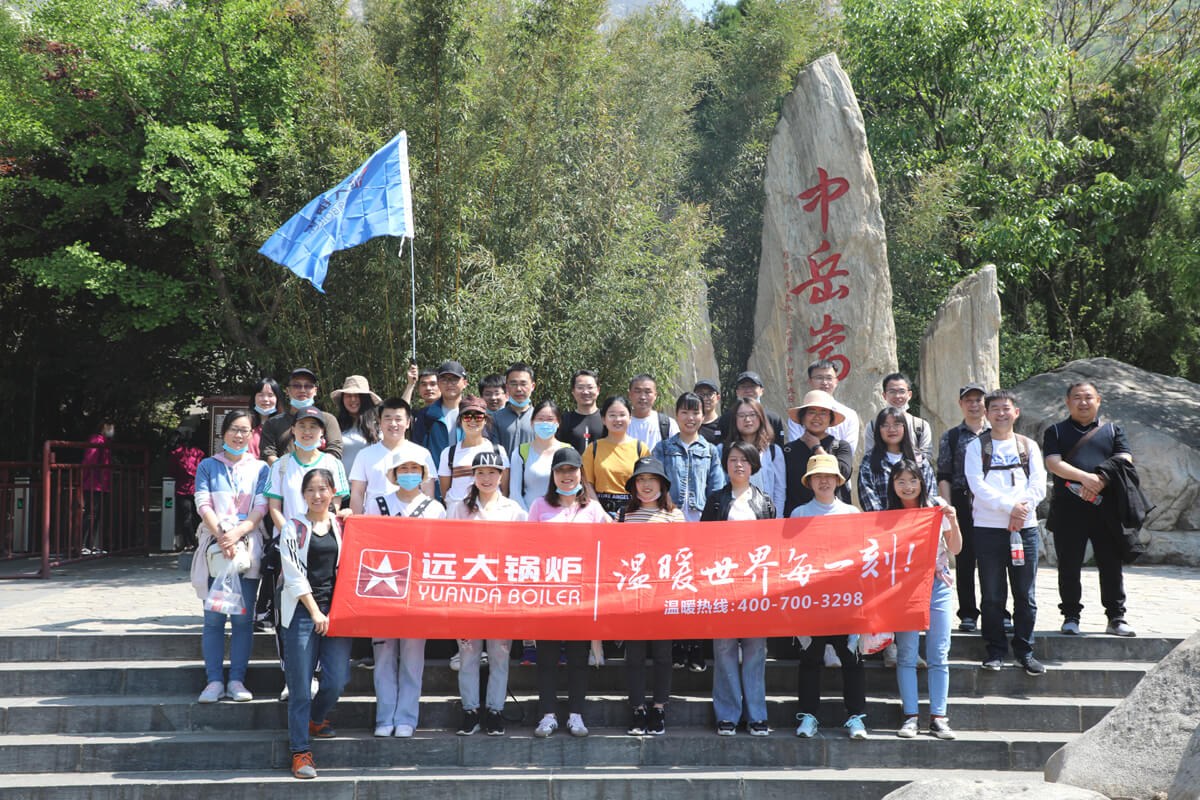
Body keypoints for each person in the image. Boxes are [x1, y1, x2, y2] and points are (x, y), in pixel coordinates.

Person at [527, 448, 610, 738]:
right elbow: (529, 548)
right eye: (561, 471)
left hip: (582, 594)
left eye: (571, 470)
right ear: (553, 475)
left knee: (577, 657)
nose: (566, 476)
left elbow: (608, 546)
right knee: (547, 658)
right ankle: (547, 715)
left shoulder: (594, 509)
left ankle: (576, 714)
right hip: (549, 594)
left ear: (580, 473)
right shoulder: (539, 506)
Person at [965, 389, 1048, 675]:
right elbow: (977, 485)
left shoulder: (1028, 446)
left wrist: (1021, 510)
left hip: (1024, 529)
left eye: (1006, 407)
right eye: (995, 408)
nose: (1001, 413)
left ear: (1016, 412)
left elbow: (1039, 484)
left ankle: (1025, 650)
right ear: (986, 414)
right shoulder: (977, 447)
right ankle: (995, 650)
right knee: (991, 593)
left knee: (1025, 594)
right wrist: (1011, 507)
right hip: (988, 529)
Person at [1043, 381, 1136, 637]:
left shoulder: (1113, 430)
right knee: (1069, 564)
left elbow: (1124, 459)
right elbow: (1053, 463)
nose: (1083, 402)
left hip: (1106, 508)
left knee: (1110, 564)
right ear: (1067, 402)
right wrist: (1087, 479)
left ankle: (1116, 617)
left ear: (1098, 400)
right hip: (1068, 509)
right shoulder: (1056, 432)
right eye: (1077, 397)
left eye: (1088, 397)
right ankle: (1071, 616)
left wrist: (1101, 481)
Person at [189, 410, 269, 704]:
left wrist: (238, 534)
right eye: (234, 429)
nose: (239, 435)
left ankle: (236, 679)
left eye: (245, 431)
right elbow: (202, 503)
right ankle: (213, 681)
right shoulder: (208, 466)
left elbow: (261, 506)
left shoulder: (261, 468)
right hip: (215, 548)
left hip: (246, 549)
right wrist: (222, 534)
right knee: (213, 619)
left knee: (242, 620)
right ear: (223, 433)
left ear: (252, 435)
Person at [366, 450, 446, 738]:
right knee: (384, 655)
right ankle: (384, 717)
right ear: (394, 472)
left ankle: (407, 718)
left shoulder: (436, 508)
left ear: (424, 474)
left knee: (413, 658)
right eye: (404, 468)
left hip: (418, 591)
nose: (410, 473)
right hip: (382, 589)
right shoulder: (377, 503)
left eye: (415, 468)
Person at [446, 452, 527, 735]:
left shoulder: (514, 510)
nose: (487, 478)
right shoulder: (459, 508)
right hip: (468, 593)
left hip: (502, 594)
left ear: (502, 476)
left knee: (499, 654)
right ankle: (470, 711)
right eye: (481, 473)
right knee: (468, 654)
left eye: (492, 473)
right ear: (473, 476)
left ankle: (495, 711)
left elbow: (524, 551)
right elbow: (449, 548)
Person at [280, 468, 352, 780]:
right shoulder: (292, 527)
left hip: (336, 612)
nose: (317, 495)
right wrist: (314, 611)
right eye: (311, 490)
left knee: (337, 680)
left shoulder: (342, 526)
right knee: (299, 688)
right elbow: (293, 575)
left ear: (334, 492)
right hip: (301, 613)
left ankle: (316, 718)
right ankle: (300, 751)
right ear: (303, 494)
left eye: (323, 489)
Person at [790, 454, 868, 741]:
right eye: (817, 476)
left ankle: (856, 717)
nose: (823, 481)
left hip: (845, 600)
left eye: (829, 476)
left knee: (852, 658)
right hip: (811, 601)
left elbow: (862, 561)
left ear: (838, 480)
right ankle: (808, 716)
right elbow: (793, 559)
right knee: (810, 658)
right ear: (809, 482)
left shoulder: (851, 514)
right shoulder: (799, 514)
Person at [701, 441, 775, 736]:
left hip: (756, 587)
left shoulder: (765, 502)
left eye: (744, 460)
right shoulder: (716, 500)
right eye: (733, 460)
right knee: (724, 649)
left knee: (756, 651)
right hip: (723, 585)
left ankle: (757, 715)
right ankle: (727, 715)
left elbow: (773, 547)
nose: (739, 465)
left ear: (754, 464)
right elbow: (704, 543)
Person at [887, 460, 962, 740]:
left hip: (937, 586)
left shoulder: (936, 507)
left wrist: (952, 521)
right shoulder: (888, 515)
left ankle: (939, 717)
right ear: (893, 485)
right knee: (906, 654)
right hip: (903, 591)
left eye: (912, 480)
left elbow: (955, 548)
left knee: (938, 654)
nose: (907, 487)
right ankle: (910, 717)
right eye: (900, 481)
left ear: (921, 481)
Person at [615, 456, 682, 735]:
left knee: (664, 655)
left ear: (662, 484)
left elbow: (683, 555)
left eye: (651, 479)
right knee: (635, 655)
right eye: (641, 479)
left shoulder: (675, 516)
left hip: (663, 594)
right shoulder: (623, 515)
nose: (646, 485)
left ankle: (659, 708)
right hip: (633, 595)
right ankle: (638, 708)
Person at [937, 383, 1009, 633]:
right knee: (965, 558)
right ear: (961, 404)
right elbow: (944, 474)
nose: (974, 404)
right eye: (968, 400)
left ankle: (1001, 611)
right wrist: (947, 507)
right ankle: (968, 613)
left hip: (994, 502)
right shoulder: (952, 436)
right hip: (962, 500)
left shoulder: (998, 433)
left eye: (979, 400)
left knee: (997, 558)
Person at [349, 398, 437, 514]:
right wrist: (356, 523)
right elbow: (357, 494)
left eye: (398, 419)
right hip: (375, 519)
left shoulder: (422, 454)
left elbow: (428, 492)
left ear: (408, 423)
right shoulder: (364, 455)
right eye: (388, 419)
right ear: (379, 422)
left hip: (413, 519)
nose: (393, 424)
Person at [652, 392, 726, 523]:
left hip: (700, 519)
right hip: (667, 517)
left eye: (696, 413)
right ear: (676, 415)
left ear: (703, 416)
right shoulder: (662, 448)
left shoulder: (710, 451)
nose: (690, 418)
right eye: (684, 412)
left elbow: (716, 489)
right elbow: (656, 483)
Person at [781, 390, 852, 516]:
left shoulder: (840, 446)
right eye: (811, 412)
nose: (817, 417)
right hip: (799, 517)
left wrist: (816, 448)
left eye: (823, 413)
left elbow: (843, 474)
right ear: (802, 417)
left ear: (830, 418)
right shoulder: (788, 450)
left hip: (835, 516)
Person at [858, 407, 936, 513]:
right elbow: (867, 495)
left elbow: (930, 493)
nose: (891, 429)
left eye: (897, 424)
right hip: (884, 524)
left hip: (918, 522)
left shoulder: (919, 459)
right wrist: (887, 520)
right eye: (885, 425)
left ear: (904, 427)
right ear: (878, 429)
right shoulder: (869, 461)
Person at [582, 396, 650, 517]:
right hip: (599, 511)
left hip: (633, 512)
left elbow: (647, 482)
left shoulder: (640, 448)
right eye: (612, 415)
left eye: (622, 415)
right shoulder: (593, 448)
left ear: (630, 419)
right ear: (604, 419)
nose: (617, 419)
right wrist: (601, 513)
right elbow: (587, 484)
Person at [260, 368, 344, 463]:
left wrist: (313, 472)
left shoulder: (328, 419)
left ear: (315, 391)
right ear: (287, 391)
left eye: (308, 386)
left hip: (321, 475)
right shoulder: (273, 423)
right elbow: (267, 453)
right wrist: (287, 471)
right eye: (296, 386)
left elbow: (335, 449)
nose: (302, 390)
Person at [438, 396, 510, 505]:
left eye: (478, 416)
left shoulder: (498, 451)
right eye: (467, 416)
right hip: (458, 516)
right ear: (460, 420)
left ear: (485, 420)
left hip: (490, 515)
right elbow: (445, 493)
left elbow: (504, 490)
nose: (472, 420)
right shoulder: (448, 454)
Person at [721, 397, 784, 517]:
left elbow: (780, 490)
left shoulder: (773, 451)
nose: (747, 419)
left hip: (765, 515)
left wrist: (776, 519)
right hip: (733, 515)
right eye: (741, 415)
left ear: (760, 417)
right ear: (735, 419)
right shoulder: (723, 450)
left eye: (752, 414)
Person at [787, 360, 861, 455]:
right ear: (809, 381)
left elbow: (848, 452)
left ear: (836, 382)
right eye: (819, 378)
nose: (825, 383)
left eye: (829, 378)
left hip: (838, 467)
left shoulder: (849, 415)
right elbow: (795, 450)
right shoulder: (797, 416)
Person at [509, 400, 569, 510]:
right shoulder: (520, 452)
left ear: (558, 423)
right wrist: (527, 518)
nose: (545, 423)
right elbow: (514, 493)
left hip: (561, 517)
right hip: (529, 517)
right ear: (532, 423)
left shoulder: (568, 451)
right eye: (540, 419)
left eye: (550, 419)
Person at [418, 360, 470, 487]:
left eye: (454, 380)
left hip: (468, 484)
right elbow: (418, 451)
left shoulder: (474, 413)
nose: (449, 384)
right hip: (435, 485)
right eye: (444, 380)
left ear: (465, 383)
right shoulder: (426, 415)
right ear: (439, 383)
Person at [862, 372, 933, 461]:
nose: (897, 396)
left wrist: (905, 471)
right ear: (884, 395)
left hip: (913, 473)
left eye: (902, 391)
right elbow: (870, 458)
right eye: (892, 392)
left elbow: (926, 458)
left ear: (909, 395)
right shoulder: (873, 426)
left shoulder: (921, 426)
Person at [714, 371, 786, 447]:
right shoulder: (726, 418)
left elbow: (779, 447)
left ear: (762, 391)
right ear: (737, 392)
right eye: (743, 386)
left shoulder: (773, 419)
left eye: (752, 386)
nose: (748, 390)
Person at [331, 375, 382, 477]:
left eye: (357, 395)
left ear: (365, 399)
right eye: (348, 395)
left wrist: (410, 385)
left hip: (371, 488)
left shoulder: (378, 425)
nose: (353, 399)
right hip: (342, 488)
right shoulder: (335, 425)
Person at [167, 427, 206, 550]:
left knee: (186, 517)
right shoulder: (199, 453)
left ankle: (190, 542)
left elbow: (172, 471)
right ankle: (200, 540)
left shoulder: (175, 454)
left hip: (181, 489)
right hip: (197, 488)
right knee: (199, 516)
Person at [81, 418, 114, 554]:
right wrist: (83, 478)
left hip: (101, 483)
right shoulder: (97, 441)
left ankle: (90, 544)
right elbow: (89, 461)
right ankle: (84, 544)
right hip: (94, 483)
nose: (112, 431)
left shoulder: (103, 442)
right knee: (91, 514)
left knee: (96, 515)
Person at [492, 363, 537, 453]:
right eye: (513, 384)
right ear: (507, 386)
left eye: (523, 384)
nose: (518, 389)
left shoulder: (540, 418)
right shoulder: (495, 418)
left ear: (532, 386)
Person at [626, 374, 679, 451]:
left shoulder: (668, 424)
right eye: (637, 391)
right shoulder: (621, 423)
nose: (642, 397)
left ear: (655, 395)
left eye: (647, 392)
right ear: (630, 395)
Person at [558, 369, 605, 453]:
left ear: (598, 390)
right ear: (573, 391)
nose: (585, 392)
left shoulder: (606, 418)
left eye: (590, 387)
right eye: (580, 387)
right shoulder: (565, 419)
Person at [248, 377, 283, 458]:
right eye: (261, 395)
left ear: (277, 398)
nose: (265, 399)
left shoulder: (285, 426)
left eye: (270, 395)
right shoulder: (246, 425)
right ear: (254, 398)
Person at [693, 379, 723, 444]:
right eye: (701, 394)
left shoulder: (724, 423)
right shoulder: (690, 424)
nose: (705, 398)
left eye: (710, 394)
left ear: (718, 398)